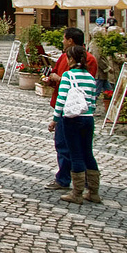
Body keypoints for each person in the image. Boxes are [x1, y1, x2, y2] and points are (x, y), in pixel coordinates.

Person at [44, 27, 98, 192]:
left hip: (71, 112)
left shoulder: (89, 60)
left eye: (64, 38)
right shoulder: (63, 57)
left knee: (73, 149)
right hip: (85, 115)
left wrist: (55, 118)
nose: (62, 41)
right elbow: (92, 95)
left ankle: (75, 185)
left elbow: (72, 92)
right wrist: (51, 79)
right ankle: (84, 186)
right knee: (68, 147)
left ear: (70, 40)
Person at [52, 44, 101, 204]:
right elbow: (93, 102)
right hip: (88, 118)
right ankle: (93, 192)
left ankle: (77, 193)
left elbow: (61, 100)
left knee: (75, 154)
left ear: (71, 59)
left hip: (72, 119)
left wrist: (55, 119)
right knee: (88, 153)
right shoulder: (90, 78)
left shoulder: (68, 75)